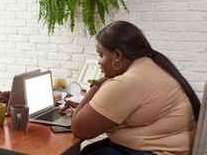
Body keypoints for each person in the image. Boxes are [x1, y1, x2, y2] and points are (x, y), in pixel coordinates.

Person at [62, 21, 200, 155]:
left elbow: (79, 129)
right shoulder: (151, 65)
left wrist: (99, 83)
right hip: (176, 148)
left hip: (156, 152)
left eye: (101, 55)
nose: (99, 61)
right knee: (90, 150)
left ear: (117, 55)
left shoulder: (127, 83)